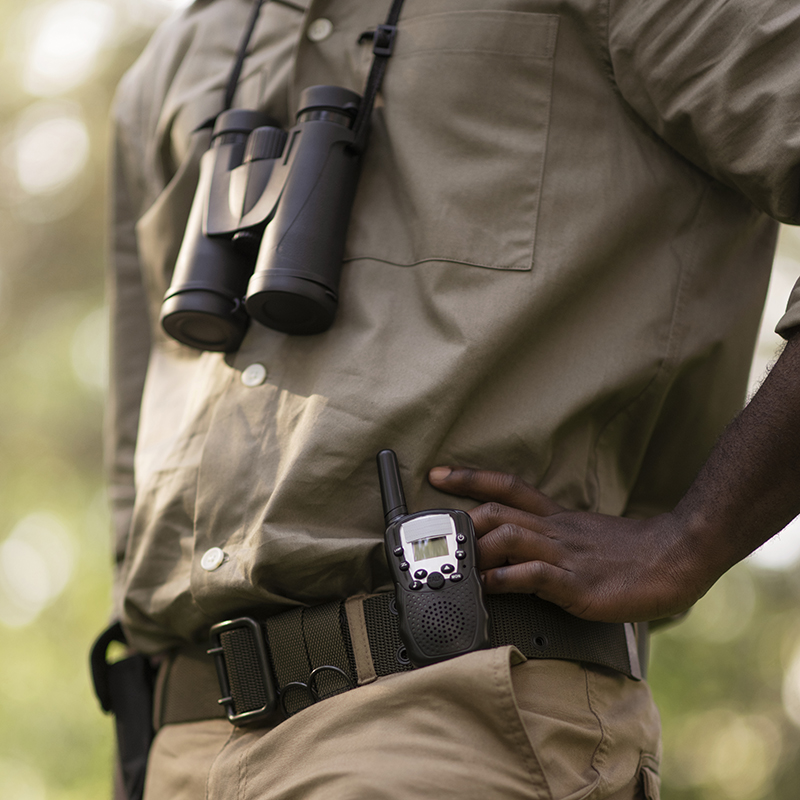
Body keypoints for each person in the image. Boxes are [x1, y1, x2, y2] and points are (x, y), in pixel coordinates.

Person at [102, 0, 800, 798]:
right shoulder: (180, 56)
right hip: (180, 747)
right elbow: (141, 436)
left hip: (449, 713)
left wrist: (692, 539)